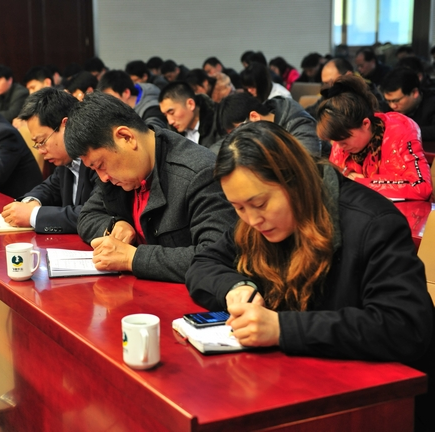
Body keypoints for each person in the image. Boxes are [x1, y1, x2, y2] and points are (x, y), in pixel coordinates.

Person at [185, 121, 434, 431]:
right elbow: (203, 263)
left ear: (294, 181)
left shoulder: (372, 223)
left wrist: (282, 328)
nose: (252, 219)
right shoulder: (254, 225)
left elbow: (403, 325)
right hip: (293, 382)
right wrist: (236, 286)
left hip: (377, 402)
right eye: (238, 208)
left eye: (259, 204)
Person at [65, 91, 236, 283]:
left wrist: (132, 258)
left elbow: (216, 256)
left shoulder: (198, 172)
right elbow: (87, 216)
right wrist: (116, 225)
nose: (103, 177)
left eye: (100, 165)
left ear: (126, 137)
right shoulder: (122, 173)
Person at [316, 75, 432, 201]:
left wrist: (360, 181)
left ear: (366, 124)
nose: (339, 147)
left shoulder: (400, 132)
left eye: (344, 140)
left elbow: (421, 186)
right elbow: (333, 183)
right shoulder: (341, 139)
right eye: (335, 141)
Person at [1, 88, 97, 233]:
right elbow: (50, 187)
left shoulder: (97, 157)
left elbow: (94, 215)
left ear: (66, 125)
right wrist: (31, 202)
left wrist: (33, 215)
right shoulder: (65, 159)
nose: (40, 151)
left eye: (42, 141)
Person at [216, 92, 325, 157]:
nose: (239, 139)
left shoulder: (300, 124)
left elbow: (305, 168)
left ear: (254, 117)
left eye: (239, 132)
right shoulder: (264, 124)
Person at [158, 81, 222, 148]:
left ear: (190, 104)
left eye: (171, 112)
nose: (170, 121)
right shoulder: (172, 138)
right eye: (165, 115)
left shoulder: (219, 124)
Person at [98, 70, 167, 129]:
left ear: (126, 93)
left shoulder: (152, 111)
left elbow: (153, 134)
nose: (108, 102)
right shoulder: (121, 110)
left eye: (110, 97)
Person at [381, 67, 435, 141]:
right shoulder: (385, 107)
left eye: (396, 101)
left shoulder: (432, 104)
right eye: (388, 101)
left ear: (414, 93)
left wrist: (406, 131)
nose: (392, 106)